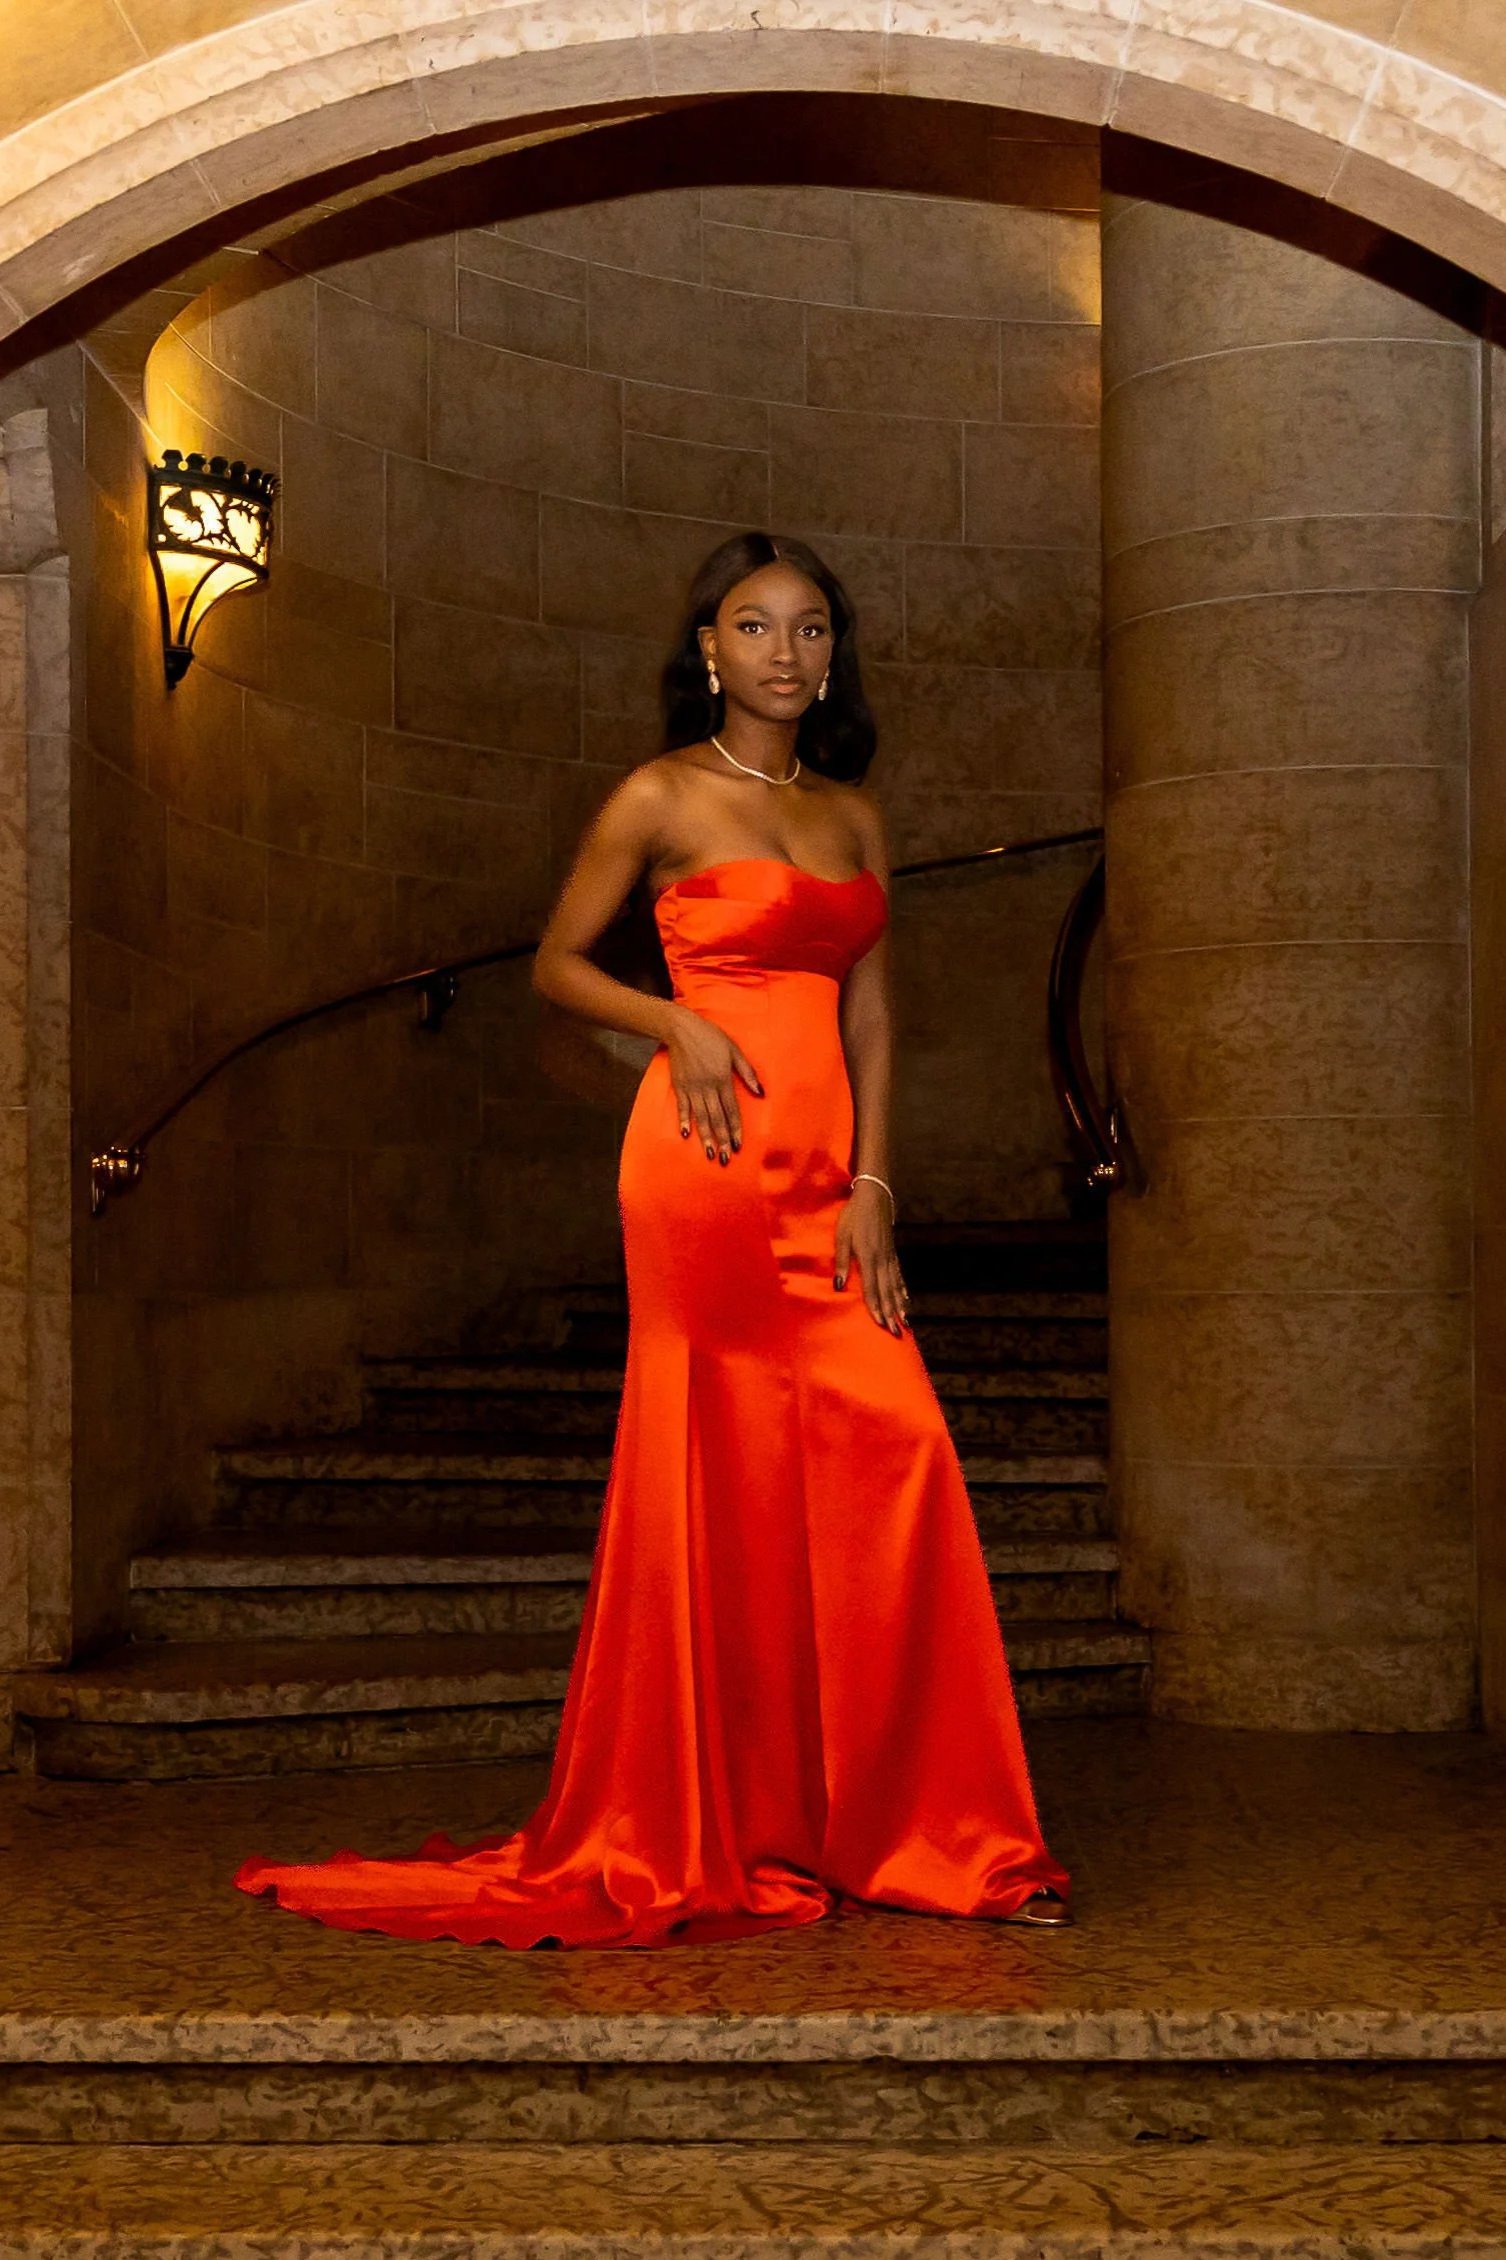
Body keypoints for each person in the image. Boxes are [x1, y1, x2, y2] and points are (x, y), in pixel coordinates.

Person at [233, 530, 1072, 1947]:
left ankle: (931, 1836)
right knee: (719, 1473)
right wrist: (671, 1016)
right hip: (702, 1164)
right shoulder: (660, 795)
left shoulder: (854, 815)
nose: (786, 654)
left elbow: (870, 1016)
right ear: (706, 650)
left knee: (898, 1455)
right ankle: (710, 1819)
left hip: (828, 1181)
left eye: (812, 629)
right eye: (756, 627)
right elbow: (557, 964)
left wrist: (878, 1183)